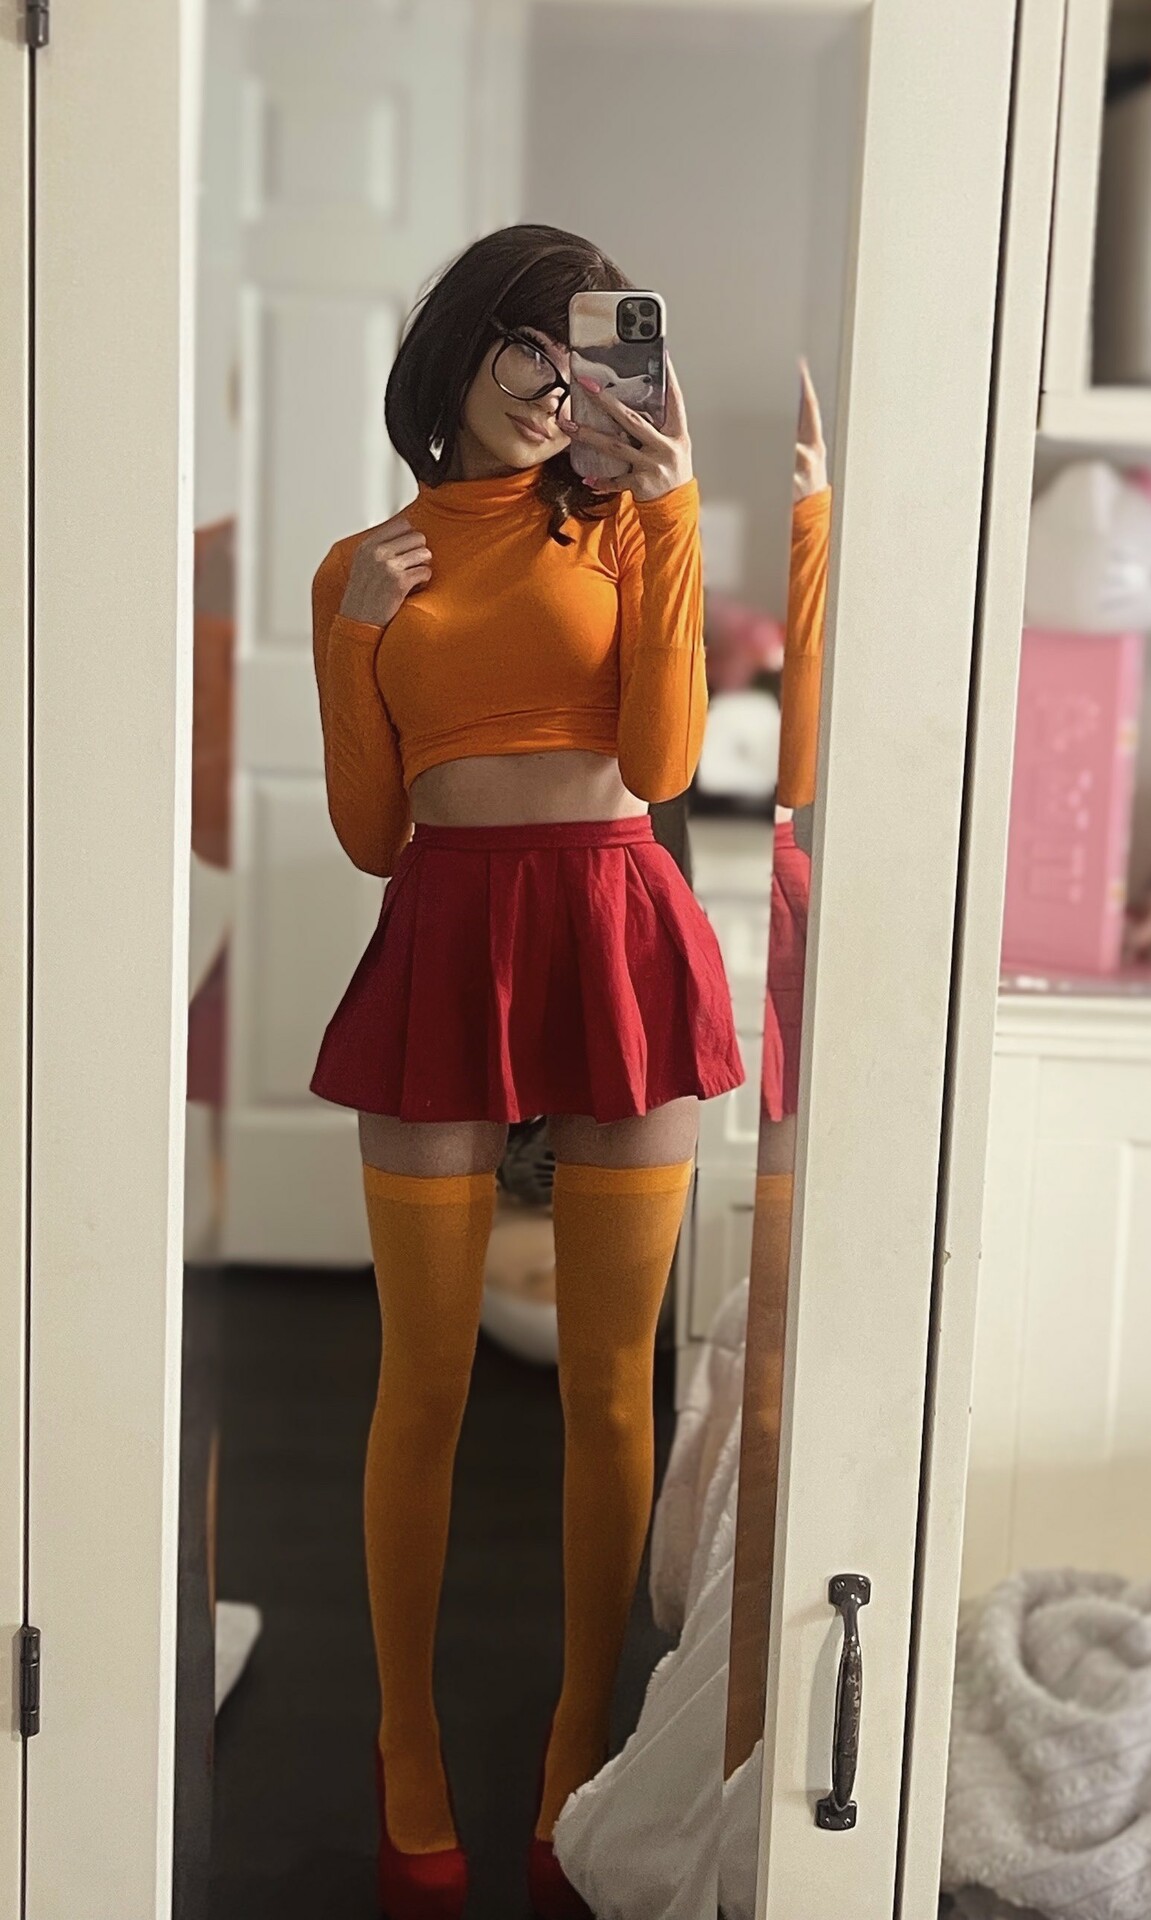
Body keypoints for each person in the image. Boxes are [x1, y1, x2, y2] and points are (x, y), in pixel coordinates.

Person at [307, 223, 745, 1920]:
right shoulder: (365, 562)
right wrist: (355, 637)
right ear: (466, 345)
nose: (560, 386)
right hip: (445, 932)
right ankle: (404, 1741)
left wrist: (677, 512)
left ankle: (579, 1741)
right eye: (531, 348)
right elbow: (371, 836)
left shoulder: (628, 523)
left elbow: (661, 758)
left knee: (610, 1385)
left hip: (618, 930)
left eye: (590, 353)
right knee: (419, 1377)